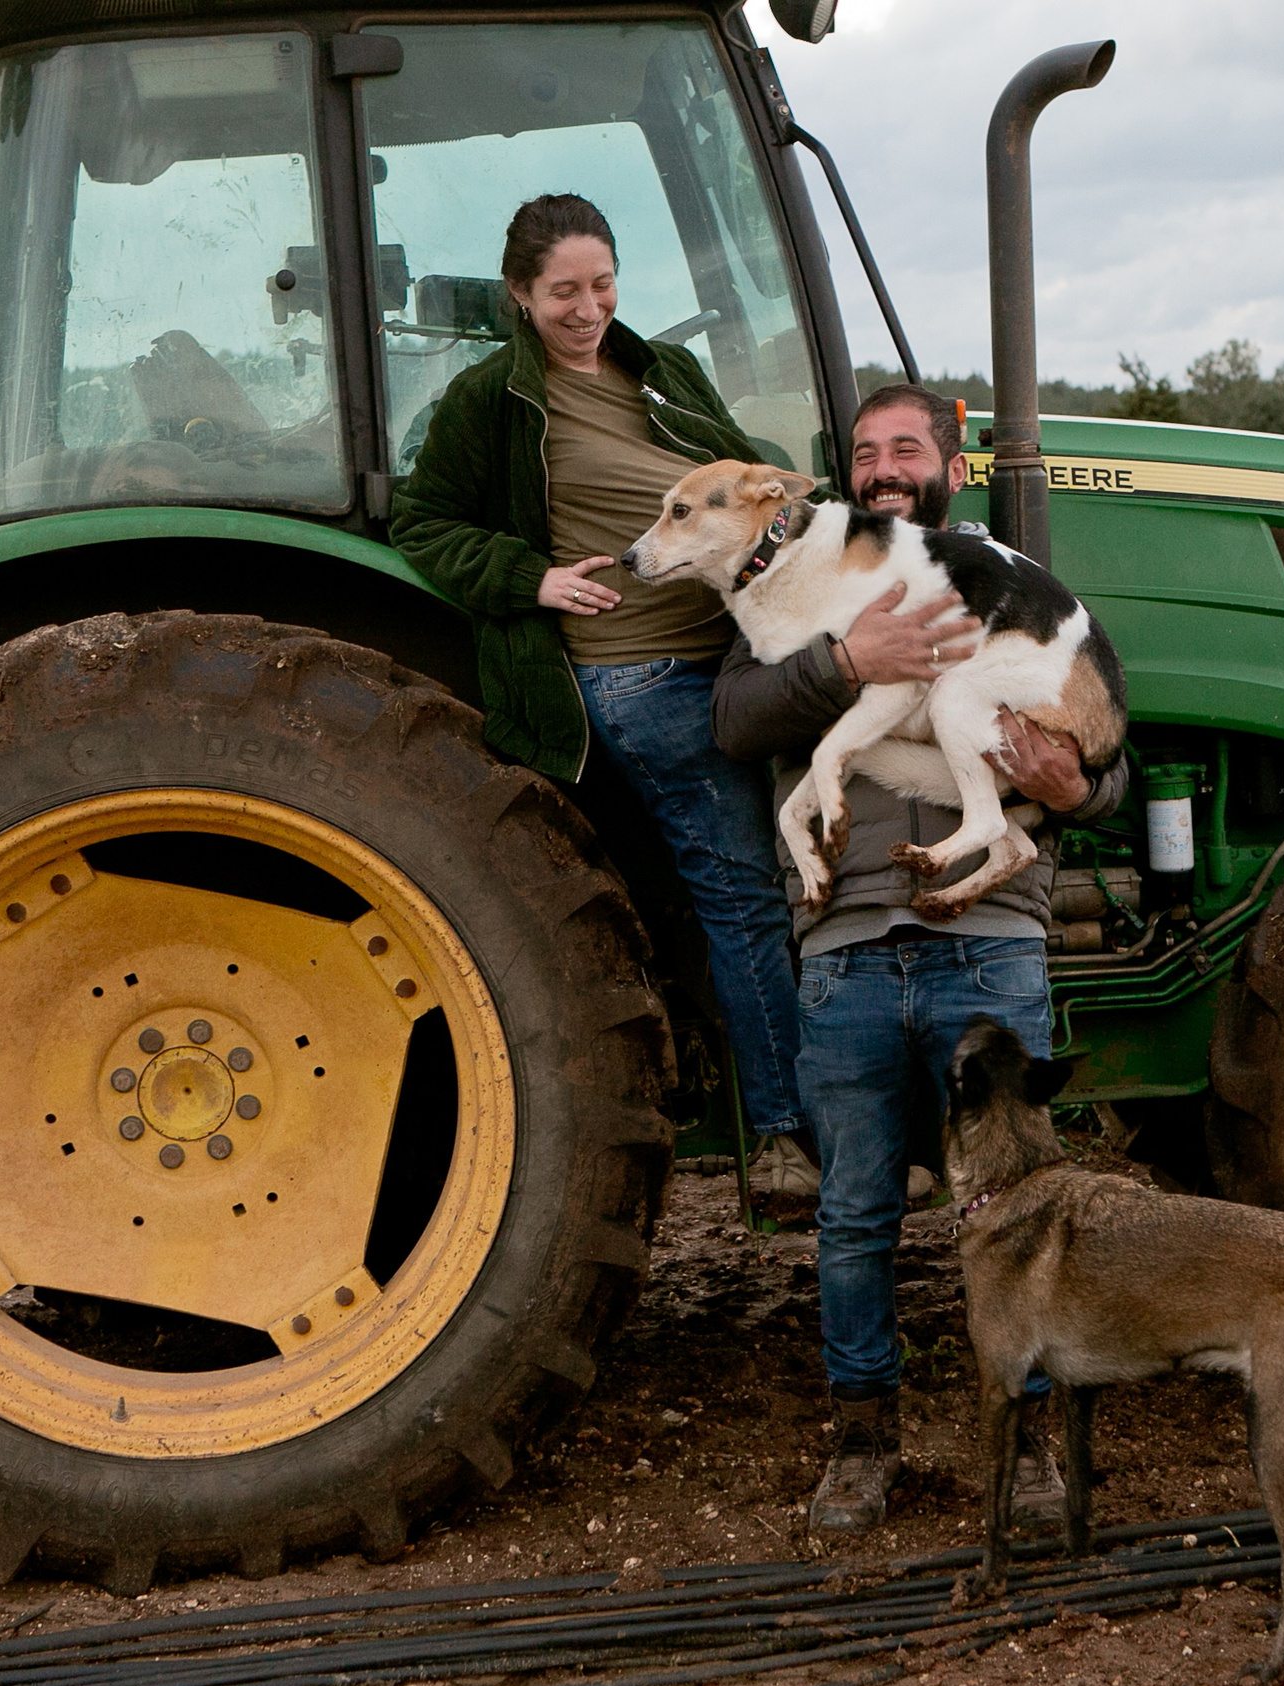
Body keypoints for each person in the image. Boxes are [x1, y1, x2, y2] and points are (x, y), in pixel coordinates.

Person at [712, 382, 1132, 1533]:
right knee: (853, 1213)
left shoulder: (999, 580)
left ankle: (1035, 1442)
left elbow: (1108, 758)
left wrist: (1078, 785)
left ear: (956, 463)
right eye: (863, 452)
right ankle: (861, 1445)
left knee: (1019, 1201)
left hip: (987, 946)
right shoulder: (811, 583)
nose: (885, 466)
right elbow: (737, 718)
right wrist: (850, 659)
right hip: (847, 942)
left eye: (908, 448)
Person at [391, 193, 815, 1164]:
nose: (586, 309)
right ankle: (789, 1134)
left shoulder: (661, 369)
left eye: (601, 286)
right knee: (743, 890)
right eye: (562, 293)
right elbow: (423, 523)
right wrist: (528, 577)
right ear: (520, 294)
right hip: (638, 674)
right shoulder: (491, 399)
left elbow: (748, 475)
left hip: (736, 653)